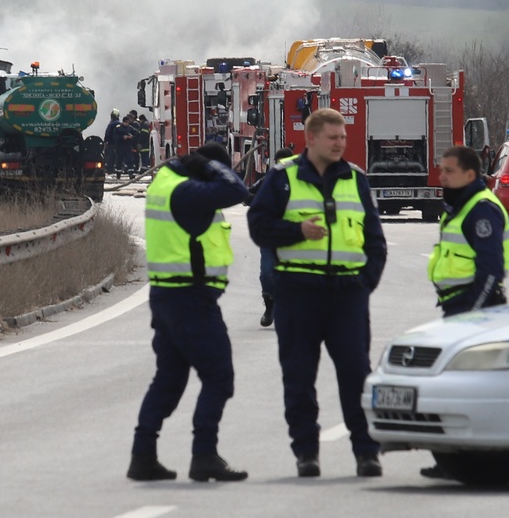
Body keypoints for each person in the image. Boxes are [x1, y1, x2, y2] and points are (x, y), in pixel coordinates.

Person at [247, 108, 387, 478]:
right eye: (333, 138)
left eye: (343, 137)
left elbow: (376, 242)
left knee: (356, 374)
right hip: (298, 292)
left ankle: (366, 453)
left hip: (347, 294)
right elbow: (259, 229)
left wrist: (364, 284)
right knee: (298, 376)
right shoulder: (281, 179)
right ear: (311, 139)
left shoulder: (357, 179)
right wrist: (297, 233)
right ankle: (306, 452)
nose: (340, 143)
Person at [128, 142, 250, 483]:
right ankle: (204, 455)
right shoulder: (187, 191)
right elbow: (235, 188)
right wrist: (211, 167)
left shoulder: (166, 182)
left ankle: (143, 455)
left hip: (167, 296)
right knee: (218, 376)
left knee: (168, 379)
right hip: (190, 301)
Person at [421, 144, 509, 478]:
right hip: (458, 306)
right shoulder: (458, 206)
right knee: (455, 388)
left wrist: (473, 315)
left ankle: (470, 460)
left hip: (476, 309)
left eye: (448, 171)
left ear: (469, 175)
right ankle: (452, 460)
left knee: (467, 389)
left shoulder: (481, 208)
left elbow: (491, 270)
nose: (441, 175)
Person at [249, 146, 296, 328]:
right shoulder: (269, 179)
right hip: (271, 237)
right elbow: (251, 194)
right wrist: (248, 198)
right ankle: (269, 308)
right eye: (279, 163)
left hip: (295, 237)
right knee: (267, 274)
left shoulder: (303, 180)